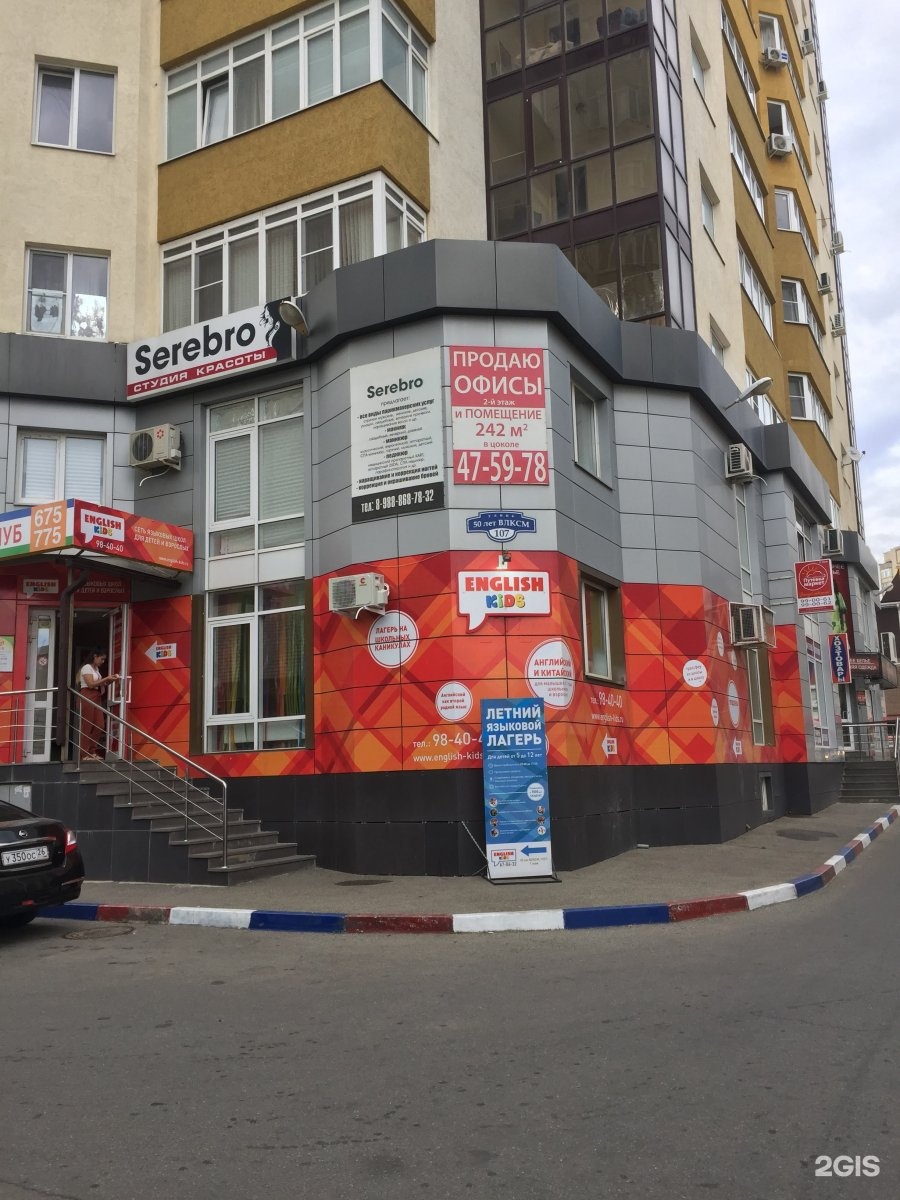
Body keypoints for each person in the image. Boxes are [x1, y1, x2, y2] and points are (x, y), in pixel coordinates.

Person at [76, 649, 119, 761]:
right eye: (102, 659)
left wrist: (110, 680)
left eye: (104, 660)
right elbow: (90, 684)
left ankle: (91, 751)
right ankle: (84, 754)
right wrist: (106, 678)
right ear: (95, 656)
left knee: (99, 724)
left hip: (96, 696)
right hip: (87, 694)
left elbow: (100, 684)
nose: (103, 662)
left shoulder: (96, 669)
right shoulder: (87, 667)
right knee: (87, 725)